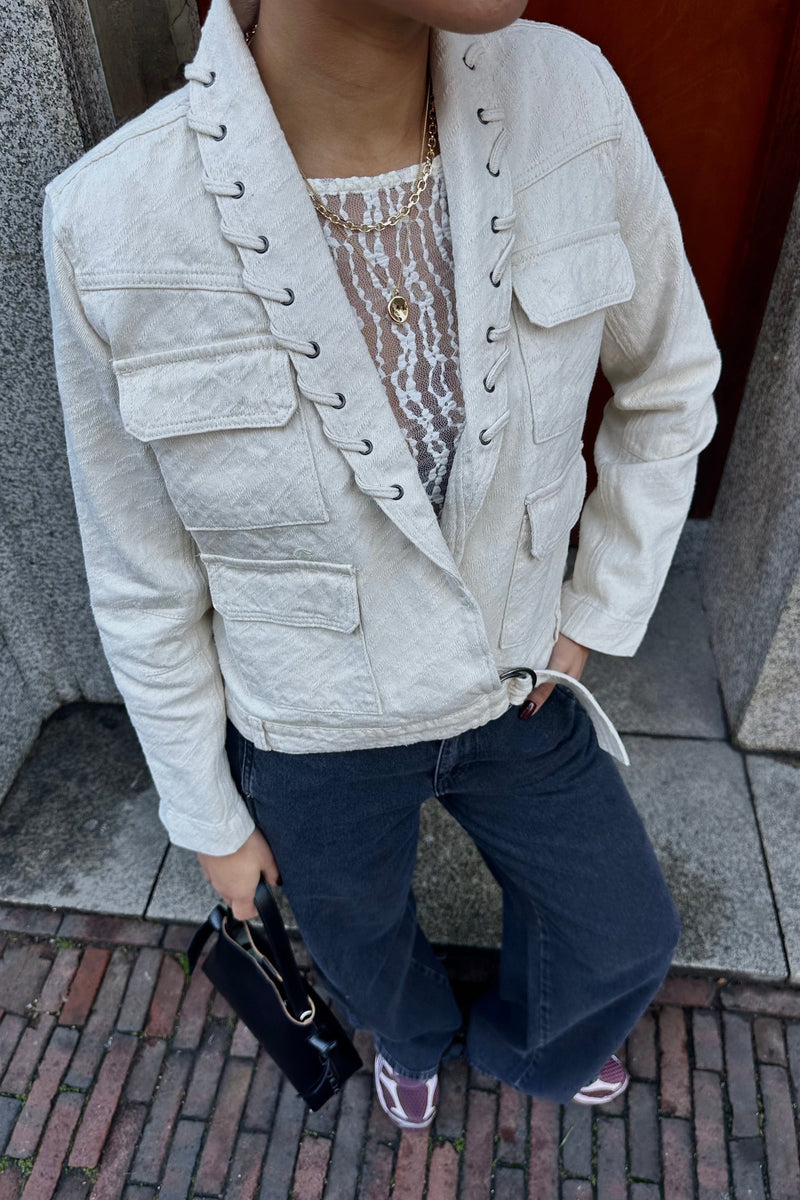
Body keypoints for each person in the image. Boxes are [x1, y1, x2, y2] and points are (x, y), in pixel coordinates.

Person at [42, 0, 721, 1131]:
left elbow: (669, 381)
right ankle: (412, 1037)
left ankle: (530, 1049)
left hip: (514, 681)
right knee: (359, 948)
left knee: (621, 936)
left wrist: (594, 608)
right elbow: (140, 573)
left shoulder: (571, 97)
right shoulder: (109, 222)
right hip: (312, 732)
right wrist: (208, 818)